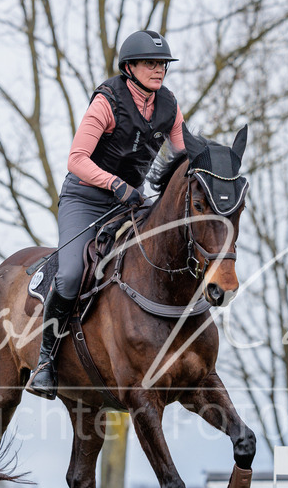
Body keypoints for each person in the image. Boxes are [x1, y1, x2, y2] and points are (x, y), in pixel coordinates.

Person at [25, 30, 187, 399]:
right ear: (129, 67)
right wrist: (115, 185)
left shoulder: (169, 107)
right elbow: (76, 159)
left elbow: (183, 156)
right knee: (69, 276)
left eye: (163, 64)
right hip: (86, 199)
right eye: (151, 63)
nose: (159, 70)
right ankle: (46, 363)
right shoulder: (106, 102)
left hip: (130, 202)